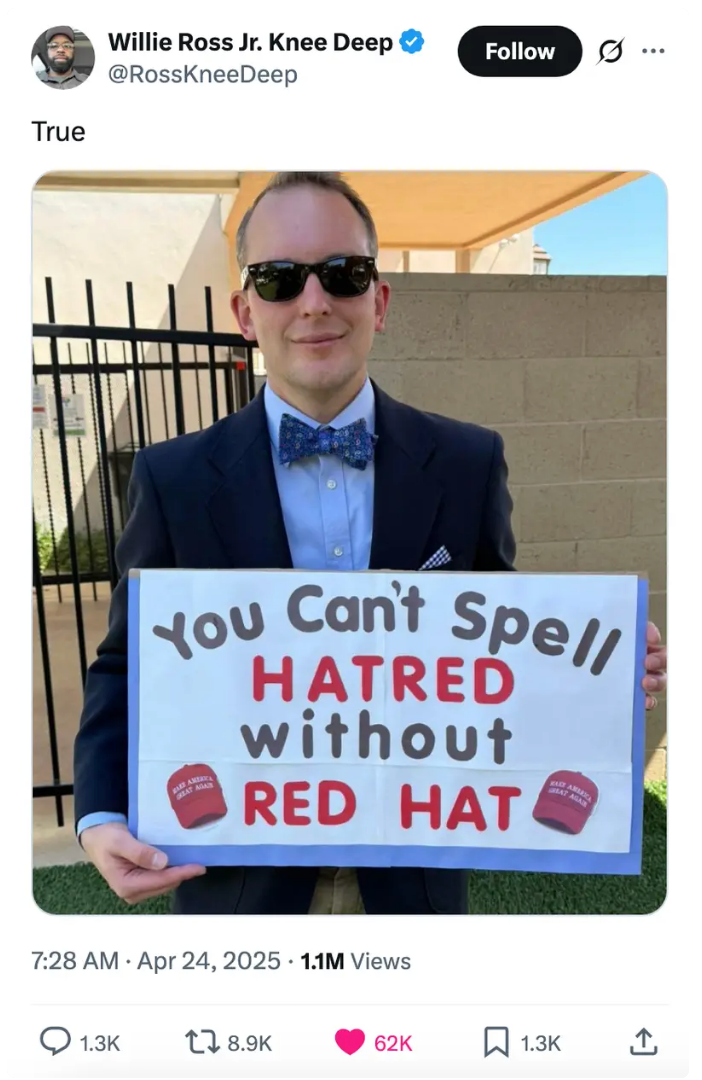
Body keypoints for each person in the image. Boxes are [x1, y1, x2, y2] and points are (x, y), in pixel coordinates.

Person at [74, 171, 668, 914]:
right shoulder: (173, 479)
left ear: (378, 300)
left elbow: (492, 655)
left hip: (413, 883)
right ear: (243, 310)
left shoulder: (467, 463)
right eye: (280, 278)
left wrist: (598, 666)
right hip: (238, 886)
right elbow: (128, 661)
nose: (314, 301)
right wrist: (99, 813)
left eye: (344, 274)